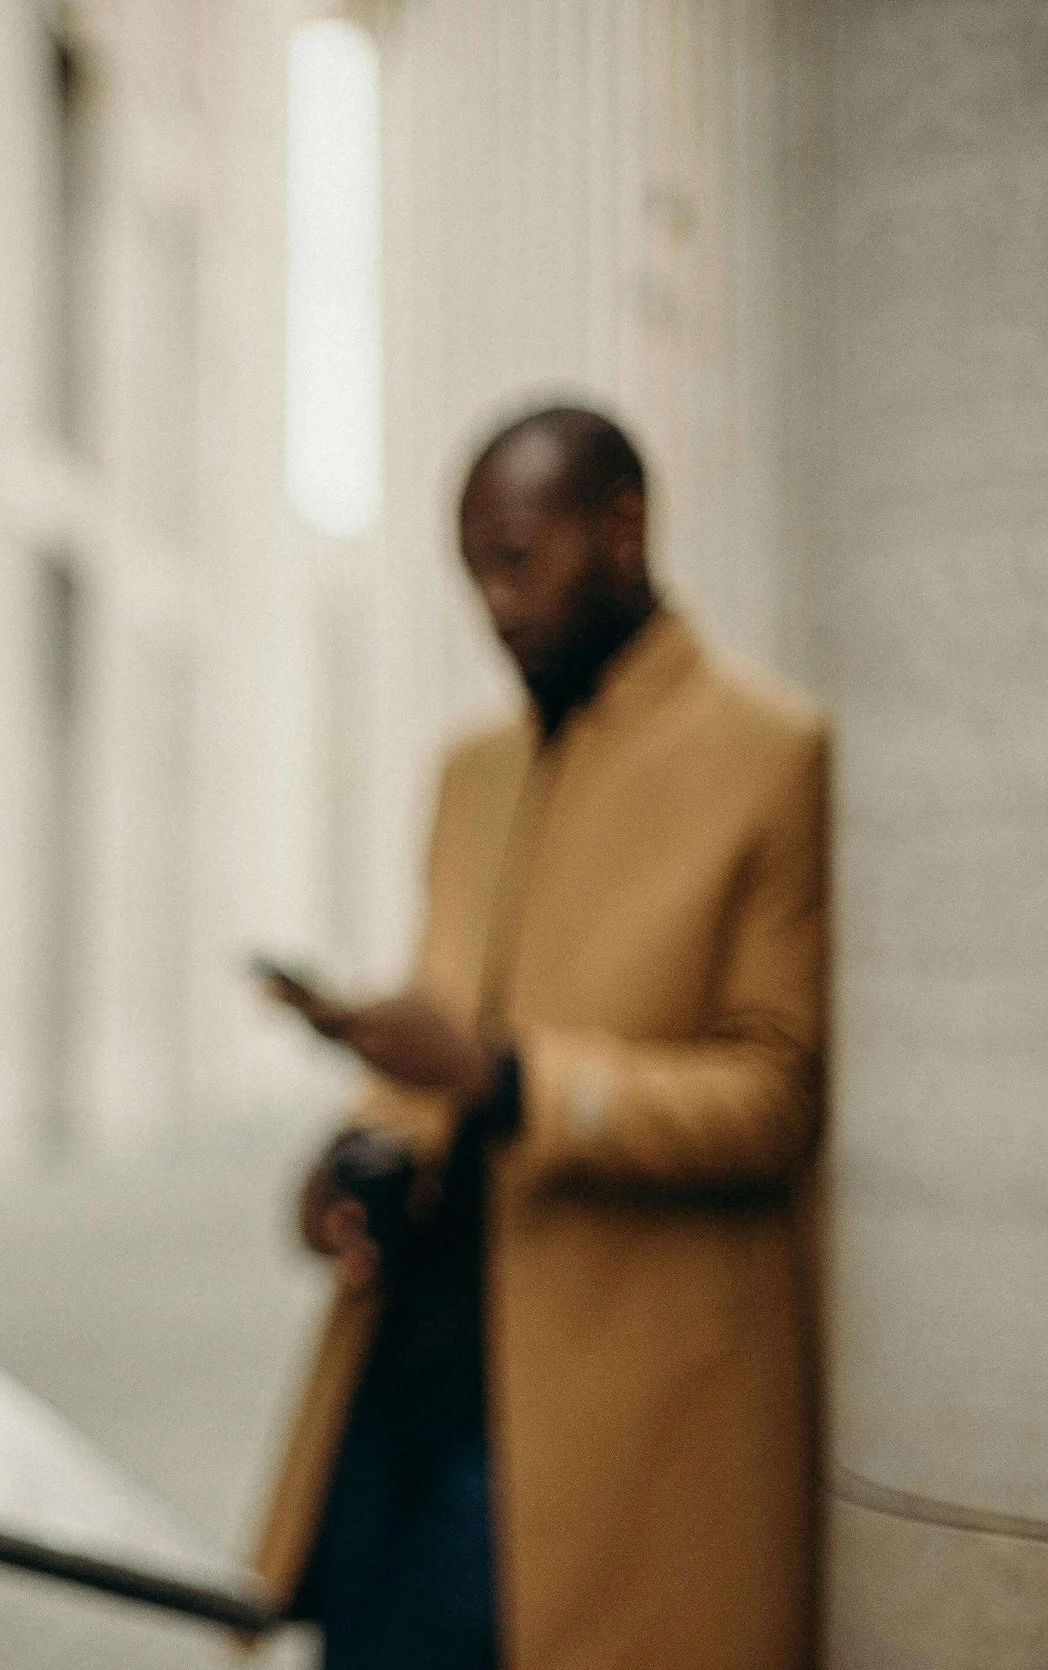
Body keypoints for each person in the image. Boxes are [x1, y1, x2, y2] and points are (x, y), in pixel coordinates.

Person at [253, 406, 827, 1669]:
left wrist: (506, 1077)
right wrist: (348, 1161)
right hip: (398, 1392)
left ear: (622, 527)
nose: (494, 605)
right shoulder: (472, 769)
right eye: (473, 571)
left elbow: (777, 1095)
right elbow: (434, 1036)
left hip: (605, 1424)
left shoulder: (773, 757)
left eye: (516, 561)